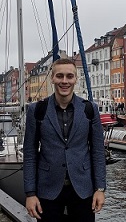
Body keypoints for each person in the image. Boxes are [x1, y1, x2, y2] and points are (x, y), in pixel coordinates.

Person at [23, 58, 106, 221]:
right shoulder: (37, 110)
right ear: (52, 78)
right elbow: (30, 154)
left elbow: (97, 152)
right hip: (48, 188)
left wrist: (100, 188)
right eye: (59, 76)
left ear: (76, 79)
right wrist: (30, 193)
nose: (64, 81)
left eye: (69, 76)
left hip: (83, 188)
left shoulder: (90, 109)